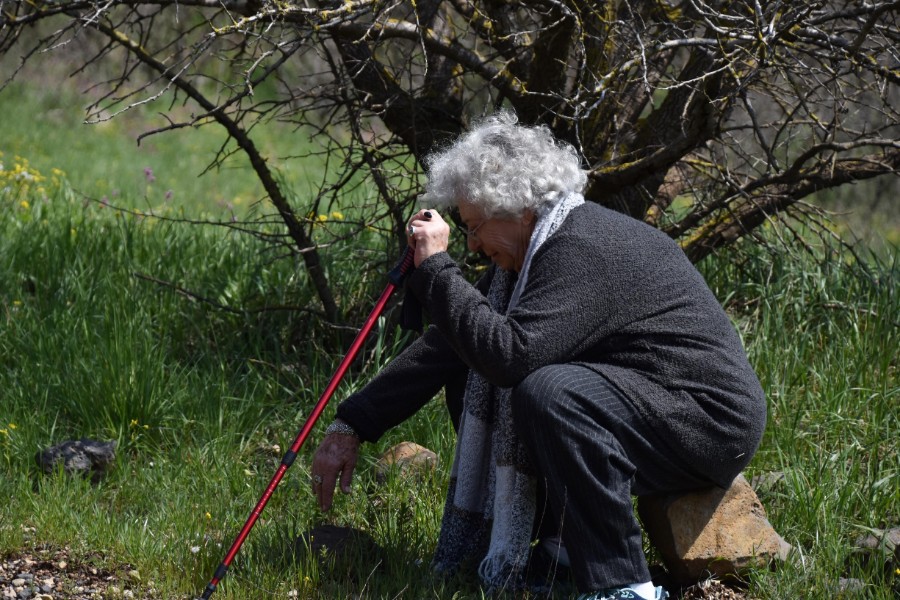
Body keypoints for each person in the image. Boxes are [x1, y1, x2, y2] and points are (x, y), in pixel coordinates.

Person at [310, 111, 767, 600]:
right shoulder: (537, 254)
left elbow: (511, 355)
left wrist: (439, 271)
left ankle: (623, 586)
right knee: (475, 369)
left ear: (517, 208)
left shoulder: (582, 246)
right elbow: (447, 346)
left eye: (474, 226)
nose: (472, 244)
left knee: (550, 392)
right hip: (649, 402)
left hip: (707, 419)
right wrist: (352, 425)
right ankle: (562, 550)